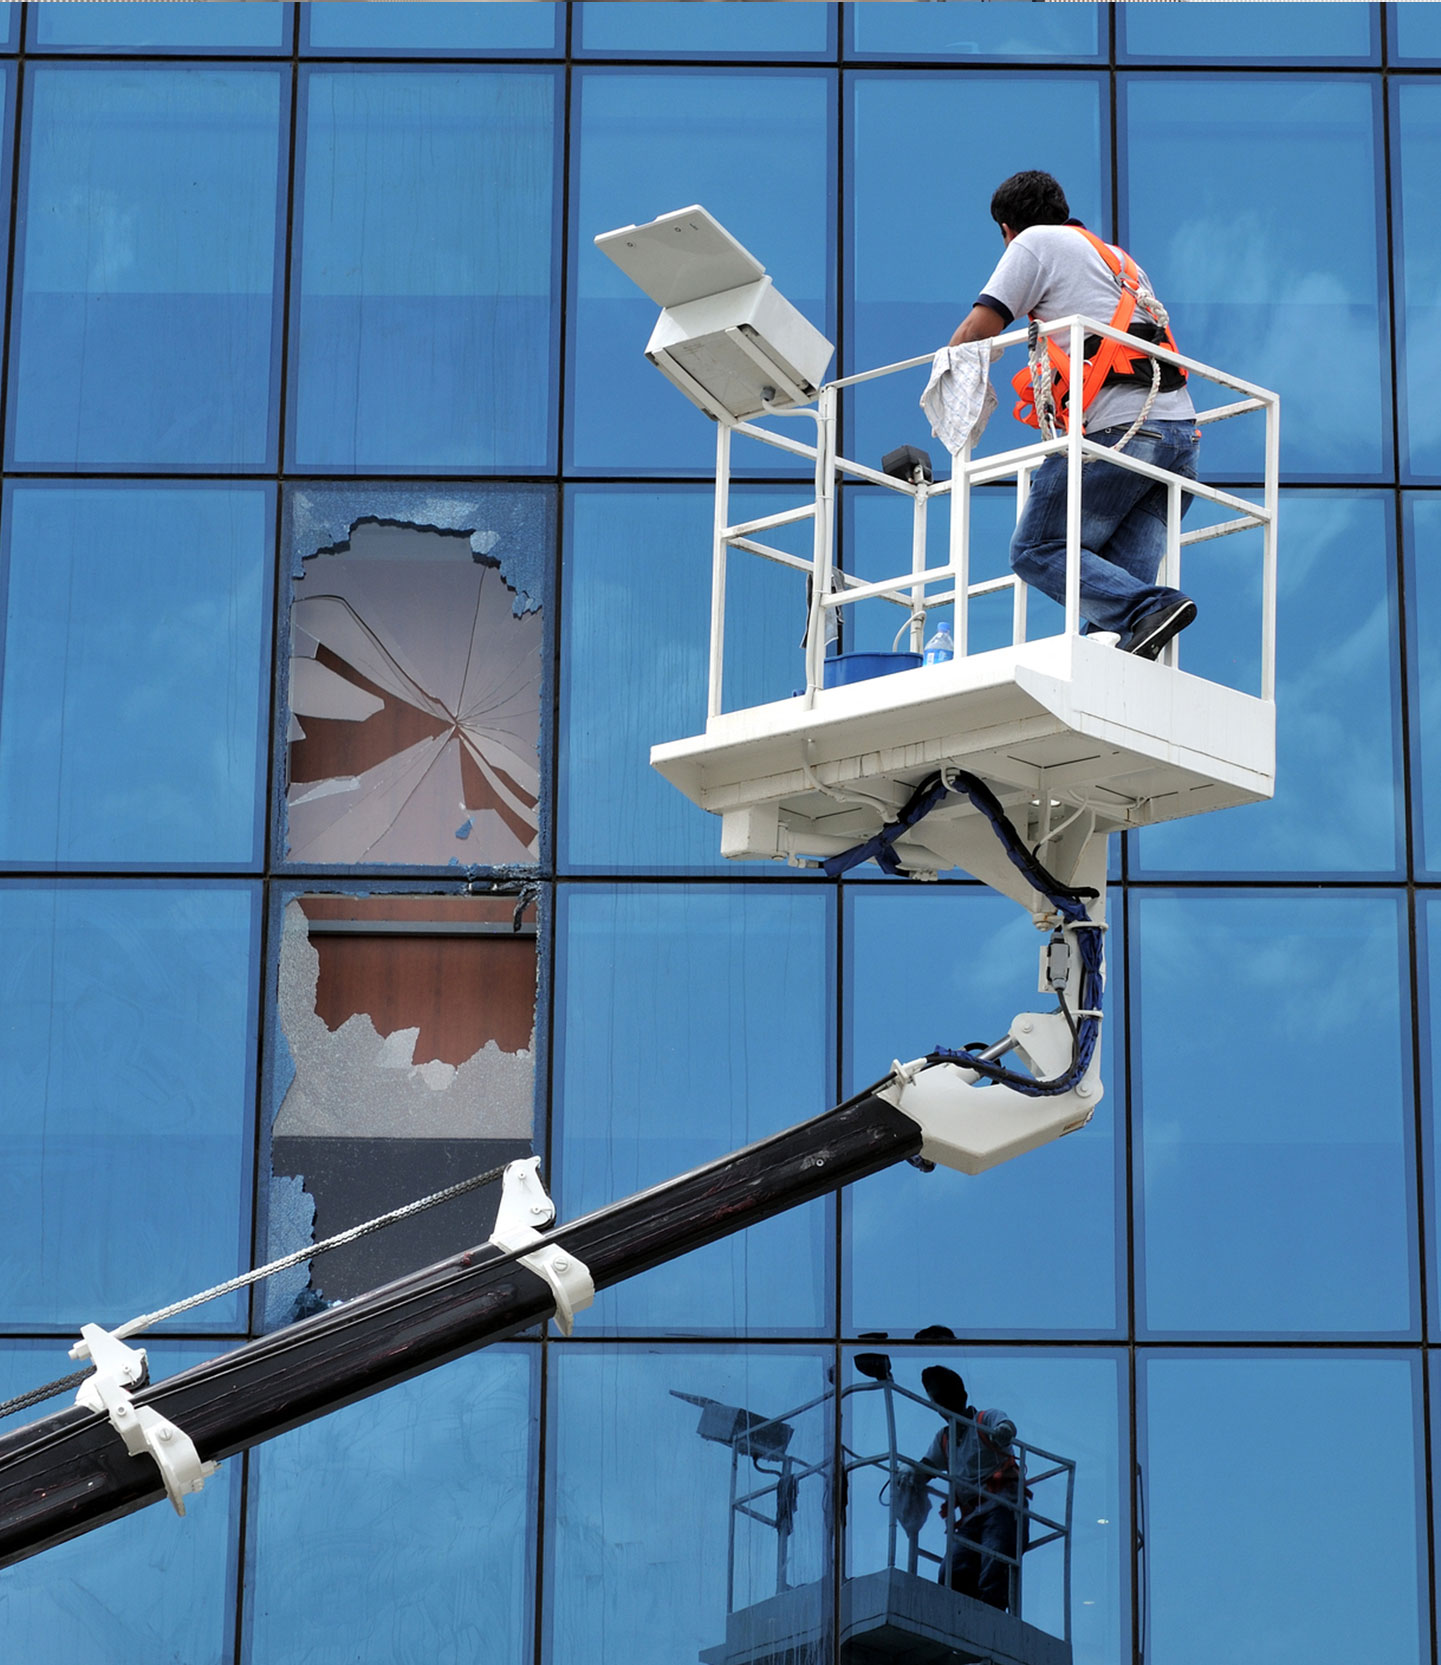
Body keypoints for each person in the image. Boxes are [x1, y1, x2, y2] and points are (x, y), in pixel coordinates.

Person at [950, 170, 1199, 661]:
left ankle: (1153, 606)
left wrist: (945, 362)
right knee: (1114, 627)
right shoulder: (1115, 260)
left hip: (1123, 432)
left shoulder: (1034, 243)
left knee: (1037, 549)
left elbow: (978, 330)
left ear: (1006, 228)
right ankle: (1129, 643)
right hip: (1178, 441)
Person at [918, 1364, 1025, 1611]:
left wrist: (1003, 1433)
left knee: (995, 1559)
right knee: (951, 1570)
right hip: (971, 1517)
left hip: (1001, 1508)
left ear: (962, 1397)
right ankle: (958, 1616)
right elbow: (927, 1466)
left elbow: (1006, 1425)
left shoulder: (984, 1420)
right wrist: (909, 1474)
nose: (942, 1406)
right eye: (937, 1400)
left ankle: (991, 1614)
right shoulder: (945, 1437)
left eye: (946, 1397)